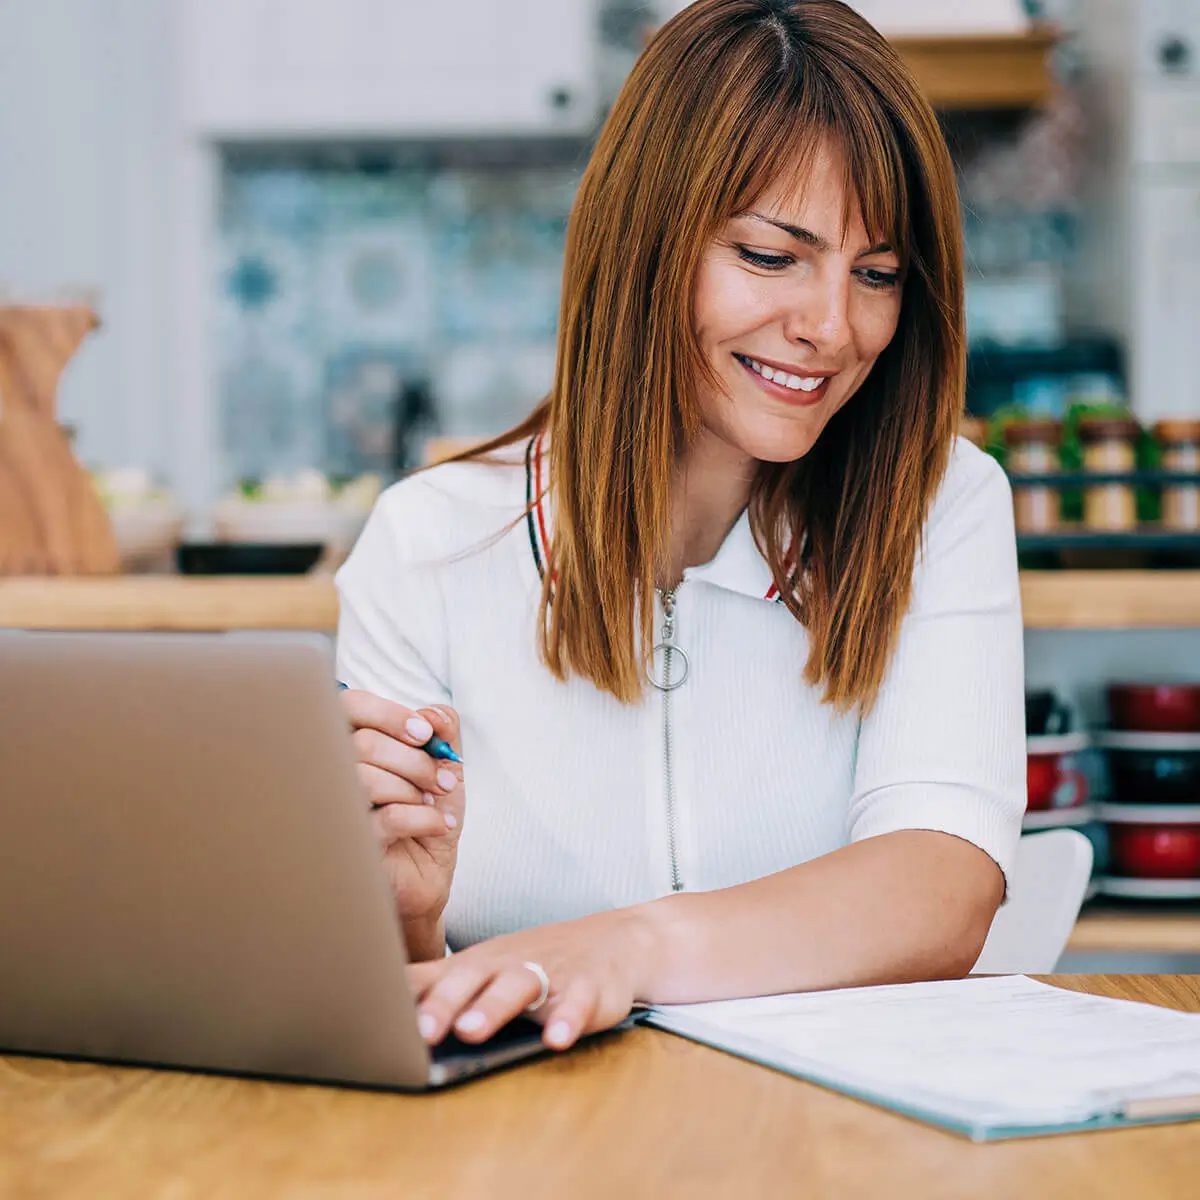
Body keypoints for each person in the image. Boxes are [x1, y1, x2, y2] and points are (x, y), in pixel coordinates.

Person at [335, 0, 1024, 1055]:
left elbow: (942, 886)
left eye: (877, 275)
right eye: (769, 255)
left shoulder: (943, 504)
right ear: (647, 243)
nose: (834, 327)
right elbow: (404, 989)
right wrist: (403, 917)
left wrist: (622, 948)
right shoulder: (426, 542)